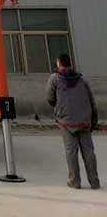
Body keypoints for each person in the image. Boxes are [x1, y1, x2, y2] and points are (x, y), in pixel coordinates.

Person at [46, 52, 100, 189]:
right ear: (70, 64)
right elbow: (92, 101)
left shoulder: (55, 78)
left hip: (67, 122)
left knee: (71, 151)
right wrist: (93, 120)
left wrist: (59, 108)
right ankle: (94, 181)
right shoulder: (82, 79)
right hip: (84, 121)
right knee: (89, 151)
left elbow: (50, 98)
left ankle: (74, 181)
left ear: (59, 64)